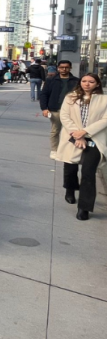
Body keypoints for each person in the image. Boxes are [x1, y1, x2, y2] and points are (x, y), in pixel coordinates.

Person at [57, 73, 107, 220]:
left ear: (97, 84)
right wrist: (77, 134)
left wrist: (85, 132)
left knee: (88, 173)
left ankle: (84, 207)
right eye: (84, 81)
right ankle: (70, 190)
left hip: (95, 138)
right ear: (80, 82)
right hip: (72, 136)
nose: (87, 84)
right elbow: (64, 116)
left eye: (91, 81)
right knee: (70, 167)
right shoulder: (70, 97)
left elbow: (105, 119)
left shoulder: (104, 100)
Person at [40, 60, 79, 160]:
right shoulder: (51, 80)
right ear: (58, 68)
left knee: (71, 131)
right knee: (55, 131)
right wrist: (44, 108)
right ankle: (54, 150)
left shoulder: (76, 81)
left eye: (66, 67)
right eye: (62, 67)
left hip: (71, 111)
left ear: (70, 68)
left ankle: (69, 150)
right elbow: (44, 94)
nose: (64, 69)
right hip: (55, 109)